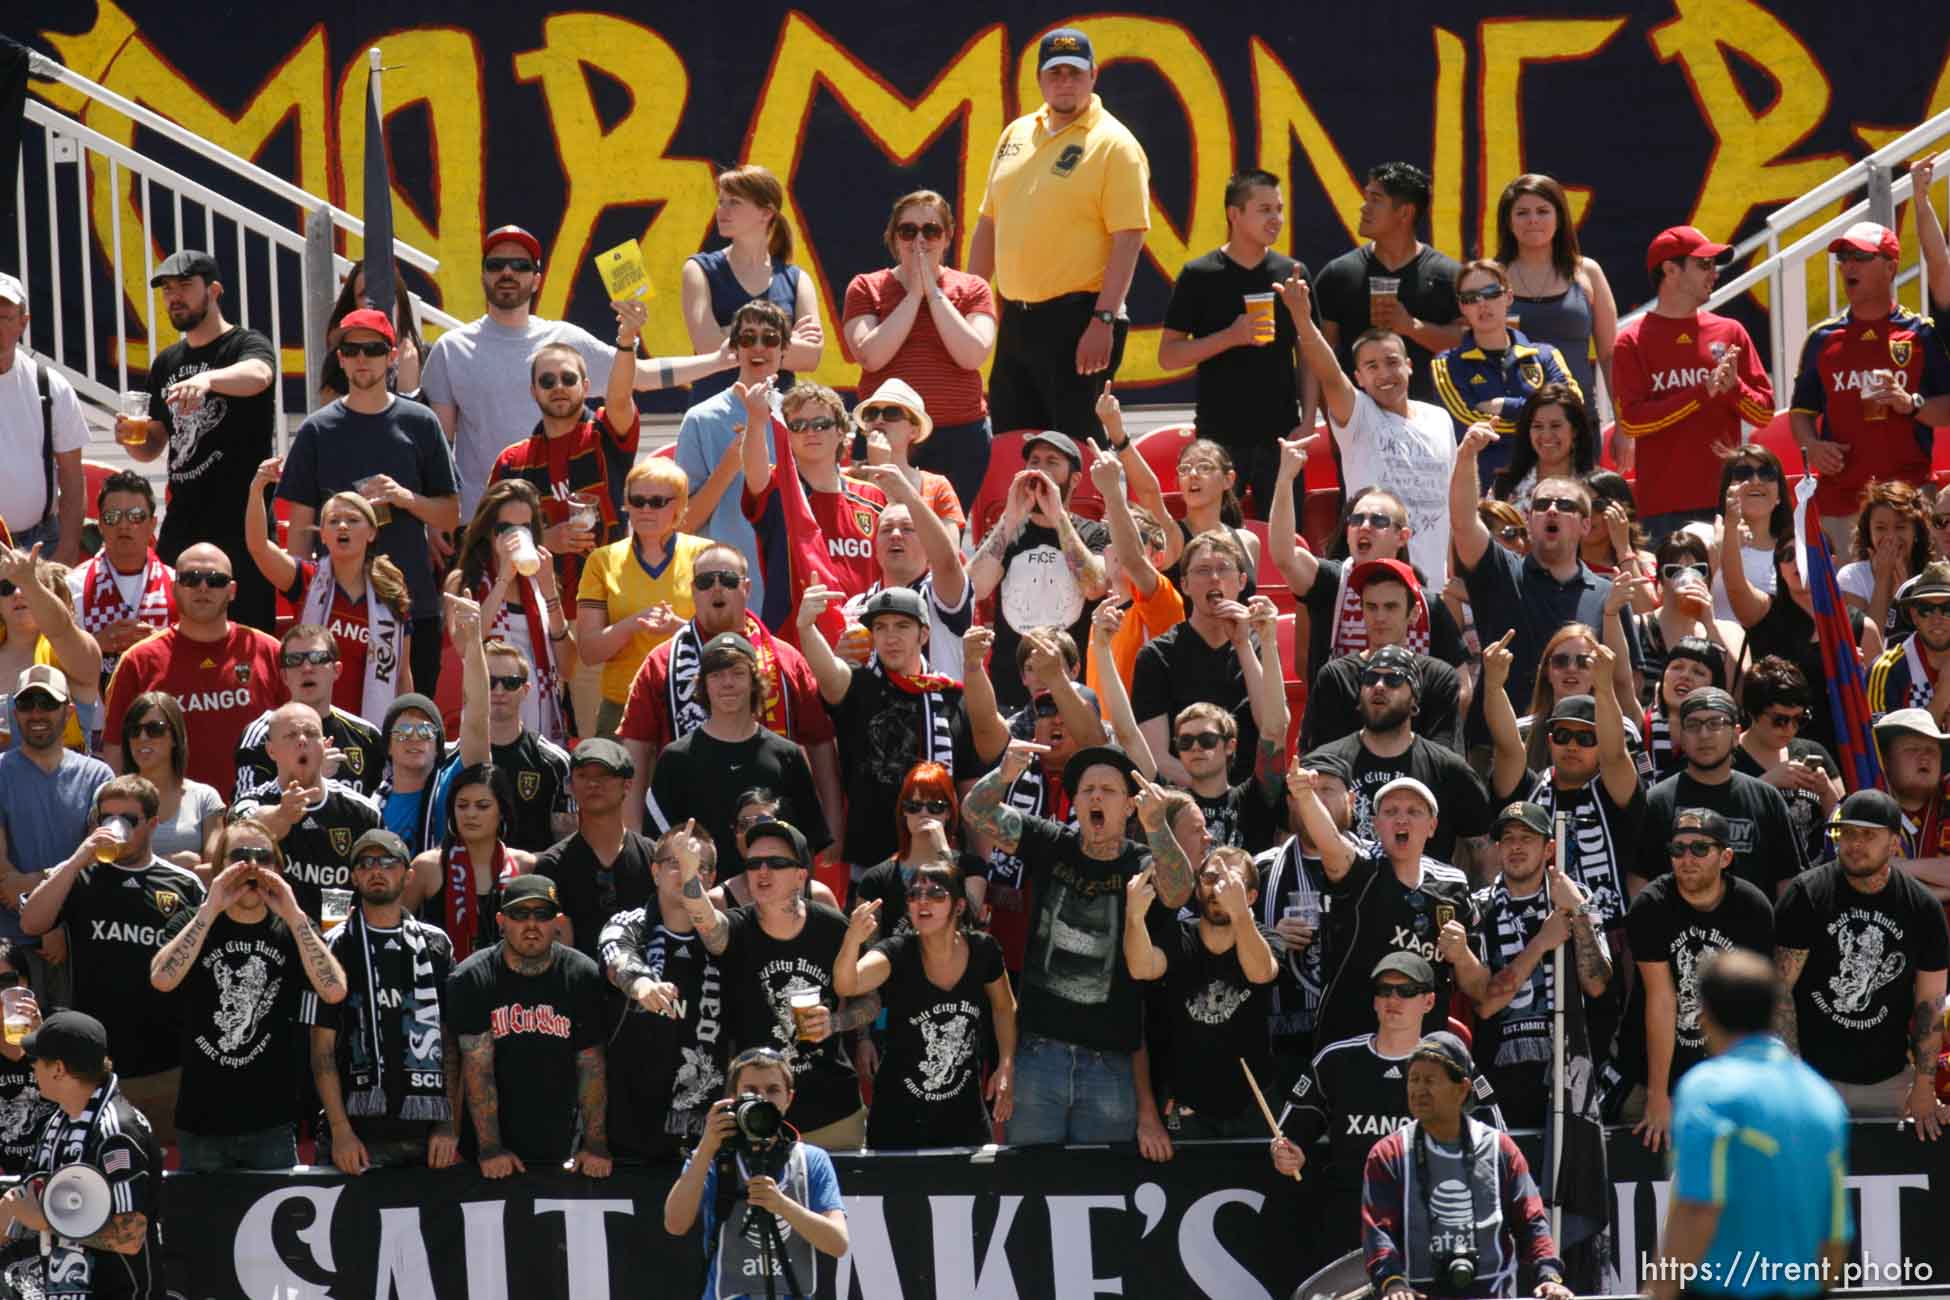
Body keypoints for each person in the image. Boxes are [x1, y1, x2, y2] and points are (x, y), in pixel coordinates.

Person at [963, 739, 1195, 1146]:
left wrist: (1158, 826)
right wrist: (1003, 775)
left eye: (1109, 790)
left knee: (1101, 1194)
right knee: (1030, 1191)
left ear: (1129, 806)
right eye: (1087, 790)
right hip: (1038, 1060)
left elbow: (1178, 892)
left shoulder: (1142, 863)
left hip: (1109, 1068)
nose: (1096, 797)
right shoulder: (1051, 843)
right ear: (1075, 804)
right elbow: (975, 812)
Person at [421, 224, 726, 523]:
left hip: (563, 521)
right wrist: (437, 522)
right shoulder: (451, 349)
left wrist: (721, 359)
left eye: (520, 265)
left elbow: (642, 376)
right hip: (483, 524)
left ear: (537, 279)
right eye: (496, 264)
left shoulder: (564, 340)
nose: (508, 273)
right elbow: (440, 452)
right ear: (483, 275)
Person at [969, 25, 1149, 444]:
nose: (1064, 81)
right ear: (1039, 79)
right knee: (1012, 441)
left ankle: (1083, 513)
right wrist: (970, 303)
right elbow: (989, 223)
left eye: (1074, 71)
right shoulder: (1016, 133)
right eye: (1055, 72)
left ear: (1093, 76)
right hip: (1016, 317)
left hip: (1080, 317)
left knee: (1076, 446)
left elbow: (1129, 238)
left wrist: (1103, 318)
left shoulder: (1114, 144)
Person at [1273, 955, 1506, 1265]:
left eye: (1406, 991)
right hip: (1352, 1223)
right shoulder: (1335, 1060)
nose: (1393, 999)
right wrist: (1287, 1153)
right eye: (1384, 990)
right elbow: (1288, 1135)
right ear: (1374, 1001)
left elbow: (1496, 1140)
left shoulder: (1452, 1063)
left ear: (1429, 1001)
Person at [275, 307, 460, 696]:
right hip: (336, 609)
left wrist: (404, 498)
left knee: (411, 725)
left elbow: (450, 513)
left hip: (411, 603)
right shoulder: (317, 429)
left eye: (373, 349)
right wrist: (305, 601)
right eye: (352, 349)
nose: (362, 358)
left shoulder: (420, 422)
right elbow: (300, 529)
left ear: (392, 356)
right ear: (339, 358)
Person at [1648, 949, 1851, 1300]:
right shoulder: (1823, 1098)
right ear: (1773, 1013)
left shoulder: (1706, 1089)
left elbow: (1697, 1210)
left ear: (1705, 1016)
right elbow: (1835, 1236)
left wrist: (1661, 1291)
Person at [148, 815, 347, 1170]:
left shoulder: (291, 929)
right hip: (201, 1123)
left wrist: (294, 914)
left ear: (278, 868)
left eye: (263, 857)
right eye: (240, 857)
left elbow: (333, 991)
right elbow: (162, 979)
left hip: (270, 1125)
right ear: (220, 867)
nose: (252, 866)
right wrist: (211, 908)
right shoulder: (194, 921)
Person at [19, 776, 207, 1146]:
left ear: (153, 824)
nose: (115, 827)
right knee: (92, 1175)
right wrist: (79, 857)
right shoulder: (81, 875)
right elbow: (31, 922)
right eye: (106, 817)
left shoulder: (183, 885)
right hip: (91, 1067)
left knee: (159, 1181)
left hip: (164, 1066)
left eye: (128, 819)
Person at [670, 819, 875, 1151]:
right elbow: (706, 920)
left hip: (834, 1113)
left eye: (776, 863)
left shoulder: (833, 929)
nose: (762, 871)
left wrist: (835, 1023)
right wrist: (689, 875)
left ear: (800, 875)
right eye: (753, 864)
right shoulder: (737, 928)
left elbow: (870, 1002)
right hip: (759, 1117)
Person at [616, 542, 839, 837]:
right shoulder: (661, 662)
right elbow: (637, 748)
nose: (717, 589)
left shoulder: (787, 659)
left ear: (746, 588)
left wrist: (833, 824)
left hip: (773, 832)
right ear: (693, 590)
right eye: (706, 582)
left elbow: (820, 743)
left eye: (728, 580)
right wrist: (633, 832)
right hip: (692, 829)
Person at [113, 250, 278, 630]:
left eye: (185, 286)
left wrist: (208, 380)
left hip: (241, 524)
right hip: (183, 522)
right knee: (176, 632)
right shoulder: (167, 362)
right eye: (168, 289)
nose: (175, 296)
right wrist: (129, 438)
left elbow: (259, 375)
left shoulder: (245, 344)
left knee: (247, 638)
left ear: (214, 290)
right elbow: (154, 444)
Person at [1775, 788, 1948, 1124]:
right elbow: (1779, 990)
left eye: (1868, 835)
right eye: (1848, 833)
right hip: (1813, 1079)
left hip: (1887, 1081)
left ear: (1894, 843)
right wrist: (1792, 1073)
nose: (1854, 844)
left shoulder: (1922, 908)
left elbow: (1930, 1003)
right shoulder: (1806, 894)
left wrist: (1924, 1087)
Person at [1611, 805, 1775, 1150]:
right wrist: (1659, 1095)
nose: (1687, 858)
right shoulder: (1651, 906)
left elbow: (1751, 1008)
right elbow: (1660, 999)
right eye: (1678, 849)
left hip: (1724, 1077)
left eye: (1700, 848)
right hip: (1651, 1075)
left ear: (1725, 856)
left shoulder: (1753, 908)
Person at [1360, 1032, 1571, 1300]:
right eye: (1413, 1079)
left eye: (1429, 1080)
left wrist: (1549, 1276)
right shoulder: (1388, 1154)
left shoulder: (1500, 1149)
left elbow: (1531, 1223)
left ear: (1462, 1089)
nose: (1418, 1090)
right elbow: (1378, 1232)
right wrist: (1393, 1284)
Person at [1291, 767, 1489, 1050]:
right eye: (1391, 811)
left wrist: (1462, 956)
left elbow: (1480, 989)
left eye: (1414, 811)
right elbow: (1330, 844)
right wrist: (1305, 797)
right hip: (1351, 1046)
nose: (1401, 819)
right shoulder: (1361, 867)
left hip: (1423, 1059)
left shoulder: (1454, 884)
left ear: (1432, 826)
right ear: (1375, 824)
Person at [1452, 427, 1643, 717]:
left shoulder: (1608, 596)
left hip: (1580, 745)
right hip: (1498, 748)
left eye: (1565, 505)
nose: (1552, 510)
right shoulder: (1502, 572)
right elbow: (1464, 523)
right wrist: (1466, 457)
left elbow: (1627, 686)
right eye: (1541, 505)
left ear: (1585, 526)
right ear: (1529, 522)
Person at [1158, 168, 1317, 518]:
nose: (1276, 219)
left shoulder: (1293, 274)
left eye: (1279, 209)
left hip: (1281, 435)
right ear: (1235, 214)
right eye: (1264, 210)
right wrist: (1232, 336)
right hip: (1218, 437)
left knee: (1286, 544)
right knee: (1219, 542)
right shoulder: (1199, 275)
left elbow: (1308, 354)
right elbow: (1168, 356)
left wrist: (1308, 420)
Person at [306, 828, 461, 1174]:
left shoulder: (437, 945)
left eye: (388, 862)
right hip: (356, 1138)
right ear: (353, 876)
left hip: (426, 1136)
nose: (377, 870)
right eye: (366, 863)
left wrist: (448, 1123)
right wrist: (340, 1130)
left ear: (407, 876)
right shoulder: (332, 947)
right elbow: (321, 1049)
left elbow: (450, 1040)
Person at [1791, 221, 1950, 551]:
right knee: (1847, 601)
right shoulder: (1821, 340)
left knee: (1914, 599)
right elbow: (1800, 413)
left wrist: (1911, 404)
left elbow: (1947, 410)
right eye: (1844, 257)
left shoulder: (1921, 334)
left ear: (1891, 267)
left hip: (1911, 499)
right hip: (1841, 504)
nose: (1848, 265)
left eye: (1860, 257)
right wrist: (1813, 446)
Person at [836, 857, 1016, 1149]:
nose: (923, 901)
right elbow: (847, 983)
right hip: (898, 1118)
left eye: (936, 894)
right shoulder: (896, 951)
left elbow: (1004, 1007)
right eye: (914, 895)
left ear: (958, 906)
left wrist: (1006, 1064)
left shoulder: (984, 950)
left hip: (963, 1116)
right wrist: (852, 940)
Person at [799, 584, 976, 873]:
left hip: (939, 866)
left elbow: (968, 790)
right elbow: (828, 671)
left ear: (924, 634)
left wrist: (978, 865)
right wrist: (806, 628)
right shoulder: (856, 686)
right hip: (869, 864)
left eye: (902, 626)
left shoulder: (952, 698)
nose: (890, 637)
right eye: (880, 628)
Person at [486, 301, 650, 609]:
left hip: (607, 604)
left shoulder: (604, 435)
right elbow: (489, 539)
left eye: (568, 379)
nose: (558, 386)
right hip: (534, 611)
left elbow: (619, 396)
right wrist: (545, 541)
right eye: (547, 381)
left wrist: (626, 341)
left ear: (586, 386)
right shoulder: (512, 461)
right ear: (533, 391)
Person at [445, 874, 612, 1178]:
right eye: (520, 914)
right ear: (501, 920)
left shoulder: (582, 975)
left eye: (543, 914)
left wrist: (595, 1144)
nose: (531, 924)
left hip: (562, 1148)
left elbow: (591, 1066)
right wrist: (491, 1148)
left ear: (557, 921)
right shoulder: (472, 978)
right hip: (487, 1156)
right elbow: (477, 1068)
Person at [1612, 226, 1773, 539]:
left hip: (1727, 500)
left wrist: (1734, 388)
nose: (1714, 273)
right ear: (1670, 270)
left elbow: (1764, 413)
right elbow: (1632, 423)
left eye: (1714, 265)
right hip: (1663, 508)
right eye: (1704, 265)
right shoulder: (1631, 341)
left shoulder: (1731, 331)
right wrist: (1704, 392)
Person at [841, 192, 998, 508]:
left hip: (959, 436)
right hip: (884, 431)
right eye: (908, 231)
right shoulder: (866, 286)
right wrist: (913, 295)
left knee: (942, 535)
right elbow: (871, 356)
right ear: (895, 238)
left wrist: (934, 294)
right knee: (881, 526)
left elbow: (972, 355)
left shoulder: (973, 288)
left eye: (931, 230)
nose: (920, 240)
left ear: (947, 238)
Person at [661, 1046, 850, 1300]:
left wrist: (782, 1205)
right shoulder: (713, 1156)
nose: (762, 1099)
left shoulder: (811, 1160)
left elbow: (838, 1243)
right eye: (750, 1091)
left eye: (773, 1091)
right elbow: (675, 1224)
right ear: (733, 1097)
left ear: (788, 1099)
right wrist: (707, 1146)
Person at [101, 542, 285, 799]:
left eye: (215, 580)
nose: (203, 587)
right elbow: (115, 749)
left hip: (257, 814)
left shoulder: (269, 651)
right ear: (174, 588)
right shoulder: (138, 660)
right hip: (168, 821)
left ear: (232, 591)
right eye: (190, 578)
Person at [0, 1010, 164, 1298]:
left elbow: (131, 1237)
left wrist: (48, 1222)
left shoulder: (117, 1131)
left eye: (35, 1060)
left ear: (58, 1069)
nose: (32, 1068)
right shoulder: (57, 1120)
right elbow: (25, 1201)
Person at [1467, 802, 1611, 1127]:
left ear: (1549, 849)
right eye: (1508, 838)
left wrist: (1577, 913)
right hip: (1500, 1072)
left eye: (1527, 837)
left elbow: (1598, 983)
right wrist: (1542, 942)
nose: (1516, 846)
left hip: (1569, 1064)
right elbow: (1486, 1004)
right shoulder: (1477, 907)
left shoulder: (1578, 897)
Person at [645, 630, 830, 870]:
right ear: (703, 684)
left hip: (771, 900)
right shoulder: (676, 758)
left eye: (738, 673)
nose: (728, 683)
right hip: (700, 900)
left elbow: (807, 844)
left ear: (755, 682)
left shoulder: (787, 755)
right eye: (717, 675)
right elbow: (659, 845)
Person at [1124, 846, 1276, 1137]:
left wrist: (1241, 913)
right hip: (1186, 1109)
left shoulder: (1264, 937)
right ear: (1197, 890)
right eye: (1210, 878)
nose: (1219, 887)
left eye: (1231, 880)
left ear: (1252, 896)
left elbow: (1260, 973)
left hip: (1253, 1106)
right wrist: (1133, 917)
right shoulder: (1178, 935)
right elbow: (1141, 967)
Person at [597, 825, 727, 1163]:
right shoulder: (628, 924)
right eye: (675, 861)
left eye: (698, 864)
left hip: (701, 1135)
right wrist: (643, 986)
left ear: (711, 878)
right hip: (627, 1132)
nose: (686, 871)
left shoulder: (725, 935)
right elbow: (618, 957)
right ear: (654, 871)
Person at [1270, 471, 1469, 676]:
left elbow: (1462, 685)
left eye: (1378, 521)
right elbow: (1284, 557)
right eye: (1356, 520)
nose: (1364, 527)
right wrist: (1285, 479)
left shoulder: (1429, 604)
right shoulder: (1329, 583)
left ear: (1402, 537)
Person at [248, 474, 415, 719]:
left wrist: (403, 724)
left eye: (352, 520)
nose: (343, 526)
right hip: (309, 726)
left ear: (371, 533)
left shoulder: (390, 594)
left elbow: (401, 674)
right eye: (334, 521)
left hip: (367, 731)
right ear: (323, 535)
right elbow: (258, 547)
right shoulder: (306, 580)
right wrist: (256, 490)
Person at [967, 431, 1112, 711]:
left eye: (1052, 462)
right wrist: (1009, 519)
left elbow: (1094, 586)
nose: (1040, 470)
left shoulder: (1093, 533)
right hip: (1012, 692)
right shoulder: (1007, 531)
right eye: (1034, 461)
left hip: (1076, 690)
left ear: (1074, 479)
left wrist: (1058, 518)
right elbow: (975, 588)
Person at [1307, 647, 1490, 866]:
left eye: (1394, 680)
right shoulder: (1325, 764)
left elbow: (1483, 852)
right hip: (1345, 896)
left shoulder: (1447, 768)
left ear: (1414, 700)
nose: (1379, 686)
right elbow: (1294, 841)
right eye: (1370, 678)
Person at [737, 380, 887, 636]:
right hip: (795, 640)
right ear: (788, 434)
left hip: (865, 640)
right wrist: (756, 420)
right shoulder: (778, 489)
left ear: (841, 431)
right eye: (798, 426)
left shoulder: (872, 497)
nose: (810, 432)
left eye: (821, 424)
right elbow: (754, 472)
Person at [575, 458, 711, 737]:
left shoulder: (706, 556)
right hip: (621, 706)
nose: (646, 509)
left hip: (692, 703)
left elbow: (727, 636)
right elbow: (588, 652)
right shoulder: (601, 561)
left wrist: (680, 629)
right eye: (637, 501)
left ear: (680, 506)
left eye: (658, 501)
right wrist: (631, 624)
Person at [674, 300, 793, 616]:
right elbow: (681, 523)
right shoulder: (701, 419)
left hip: (791, 583)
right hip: (724, 591)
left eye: (770, 339)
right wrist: (728, 467)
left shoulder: (800, 419)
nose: (759, 347)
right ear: (735, 349)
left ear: (784, 351)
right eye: (748, 337)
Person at [1310, 163, 1463, 408]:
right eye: (1365, 197)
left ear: (1404, 213)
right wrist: (1329, 417)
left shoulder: (1448, 275)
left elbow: (1466, 344)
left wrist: (1412, 327)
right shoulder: (1338, 274)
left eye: (1375, 200)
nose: (1363, 207)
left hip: (1431, 419)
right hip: (1356, 425)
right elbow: (1316, 356)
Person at [0, 665, 111, 999]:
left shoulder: (98, 777)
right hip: (9, 947)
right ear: (13, 712)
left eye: (48, 703)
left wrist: (57, 923)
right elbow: (3, 876)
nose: (37, 712)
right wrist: (42, 920)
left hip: (79, 941)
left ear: (69, 711)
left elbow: (99, 861)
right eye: (27, 703)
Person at [1638, 689, 1804, 901]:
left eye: (1715, 724)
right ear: (1681, 736)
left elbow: (1787, 878)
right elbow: (1638, 876)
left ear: (1735, 735)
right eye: (1693, 725)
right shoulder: (1657, 800)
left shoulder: (1767, 799)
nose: (1704, 734)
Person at [1131, 532, 1269, 785]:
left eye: (1223, 569)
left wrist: (1243, 646)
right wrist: (1215, 794)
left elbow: (1273, 729)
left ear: (1241, 581)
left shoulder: (1258, 646)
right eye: (1203, 570)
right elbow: (1157, 757)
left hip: (1249, 796)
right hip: (1185, 799)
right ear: (1184, 585)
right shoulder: (1156, 656)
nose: (1214, 578)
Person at [681, 163, 822, 405]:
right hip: (714, 414)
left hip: (776, 413)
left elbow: (811, 357)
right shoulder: (699, 269)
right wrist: (782, 338)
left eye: (734, 202)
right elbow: (708, 346)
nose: (721, 210)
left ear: (765, 213)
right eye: (721, 201)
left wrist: (731, 334)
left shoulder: (798, 279)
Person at [230, 702, 384, 923]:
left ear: (326, 744)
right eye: (291, 735)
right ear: (271, 750)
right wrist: (281, 815)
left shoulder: (362, 812)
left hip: (335, 936)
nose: (302, 740)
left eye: (311, 733)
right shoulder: (251, 801)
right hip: (270, 938)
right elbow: (242, 832)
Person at [446, 481, 573, 745]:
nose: (513, 537)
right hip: (488, 716)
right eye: (504, 529)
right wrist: (503, 579)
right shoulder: (464, 581)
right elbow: (463, 645)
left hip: (539, 716)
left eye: (523, 529)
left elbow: (568, 667)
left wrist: (551, 593)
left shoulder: (541, 583)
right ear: (488, 532)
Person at [1430, 260, 1581, 479]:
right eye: (1471, 298)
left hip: (1548, 485)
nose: (1482, 303)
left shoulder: (1546, 355)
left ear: (1508, 297)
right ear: (1462, 307)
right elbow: (1469, 426)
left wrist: (1505, 406)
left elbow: (1573, 409)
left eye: (1491, 293)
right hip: (1483, 486)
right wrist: (1543, 421)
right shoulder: (1446, 365)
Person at [1161, 594, 1289, 851]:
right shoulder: (1170, 805)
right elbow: (1129, 735)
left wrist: (1267, 640)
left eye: (1207, 740)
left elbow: (1275, 729)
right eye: (1185, 742)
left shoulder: (1254, 797)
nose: (1195, 747)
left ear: (1230, 745)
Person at [1300, 561, 1464, 754]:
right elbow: (1318, 761)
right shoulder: (1336, 677)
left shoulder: (1440, 679)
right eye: (1371, 607)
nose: (1379, 617)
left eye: (1390, 607)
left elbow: (1446, 765)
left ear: (1414, 613)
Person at [838, 448, 973, 680]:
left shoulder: (938, 593)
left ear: (928, 546)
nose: (896, 535)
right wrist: (837, 659)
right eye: (887, 529)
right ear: (875, 548)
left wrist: (909, 495)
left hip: (938, 713)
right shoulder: (855, 607)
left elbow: (948, 562)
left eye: (909, 529)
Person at [1493, 174, 1619, 424]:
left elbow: (1610, 355)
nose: (1533, 220)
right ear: (1508, 221)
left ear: (1560, 217)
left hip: (1577, 418)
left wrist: (1623, 426)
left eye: (1543, 211)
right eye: (1521, 213)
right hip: (1510, 424)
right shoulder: (1490, 276)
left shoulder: (1587, 272)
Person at [534, 739, 656, 964]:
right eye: (582, 776)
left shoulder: (653, 858)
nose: (593, 784)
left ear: (627, 785)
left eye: (605, 775)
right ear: (570, 785)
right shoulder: (552, 866)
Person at [233, 623, 387, 800]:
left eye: (317, 657)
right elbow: (243, 816)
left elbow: (379, 811)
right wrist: (311, 778)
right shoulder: (262, 733)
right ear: (284, 676)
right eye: (294, 660)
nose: (306, 668)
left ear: (337, 670)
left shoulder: (366, 735)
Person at [407, 763, 538, 963]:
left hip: (511, 987)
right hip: (445, 985)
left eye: (483, 806)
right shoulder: (427, 867)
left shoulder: (525, 865)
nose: (470, 814)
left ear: (501, 810)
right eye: (462, 805)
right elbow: (396, 926)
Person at [0, 272, 86, 564]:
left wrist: (67, 550)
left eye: (5, 317)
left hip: (39, 544)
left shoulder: (51, 386)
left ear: (23, 323)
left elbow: (73, 479)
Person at [852, 763, 990, 946]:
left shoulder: (971, 868)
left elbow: (968, 919)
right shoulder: (877, 879)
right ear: (904, 812)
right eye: (914, 806)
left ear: (948, 812)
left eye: (935, 807)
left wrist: (943, 850)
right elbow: (869, 948)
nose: (924, 813)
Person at [66, 470, 174, 693]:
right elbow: (52, 656)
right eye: (112, 517)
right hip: (96, 721)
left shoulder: (178, 585)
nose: (124, 525)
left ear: (153, 524)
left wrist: (160, 644)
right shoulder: (72, 587)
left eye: (135, 516)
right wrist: (96, 644)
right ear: (101, 526)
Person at [1734, 656, 1841, 869]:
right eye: (1780, 720)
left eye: (1800, 719)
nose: (1790, 728)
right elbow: (1720, 820)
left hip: (1814, 876)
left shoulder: (1813, 751)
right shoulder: (1729, 759)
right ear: (1752, 712)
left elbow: (1842, 824)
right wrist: (1765, 784)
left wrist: (1826, 791)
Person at [472, 638, 575, 853]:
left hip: (532, 881)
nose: (499, 690)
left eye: (510, 682)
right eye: (489, 681)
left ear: (526, 690)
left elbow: (567, 844)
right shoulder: (452, 758)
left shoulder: (555, 761)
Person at [0, 544, 103, 751]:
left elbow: (60, 630)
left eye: (30, 583)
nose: (19, 592)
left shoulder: (76, 646)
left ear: (51, 593)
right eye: (7, 587)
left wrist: (29, 581)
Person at [850, 380, 968, 545]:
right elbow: (857, 543)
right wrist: (876, 473)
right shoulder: (845, 479)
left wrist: (881, 469)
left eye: (892, 413)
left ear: (914, 431)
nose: (879, 420)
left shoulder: (938, 486)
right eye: (871, 413)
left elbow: (949, 552)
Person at [315, 258, 424, 401]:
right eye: (364, 294)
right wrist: (406, 390)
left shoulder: (429, 356)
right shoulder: (343, 356)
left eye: (384, 291)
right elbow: (333, 420)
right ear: (354, 305)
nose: (375, 300)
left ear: (400, 297)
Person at [1836, 480, 1931, 633]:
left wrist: (1904, 594)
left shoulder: (1931, 575)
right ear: (1869, 532)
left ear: (1916, 531)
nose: (1891, 537)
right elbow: (1868, 643)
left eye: (1900, 527)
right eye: (1880, 528)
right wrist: (1883, 580)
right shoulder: (1851, 576)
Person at [1708, 444, 1788, 625]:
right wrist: (1720, 546)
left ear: (1779, 496)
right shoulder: (1701, 536)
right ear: (1727, 489)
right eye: (1744, 473)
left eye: (1767, 473)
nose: (1756, 481)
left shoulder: (1793, 552)